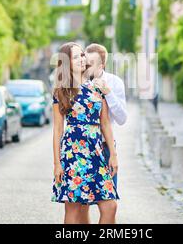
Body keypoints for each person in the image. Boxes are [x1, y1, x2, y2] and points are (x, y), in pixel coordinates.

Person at [51, 42, 119, 224]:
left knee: (110, 206)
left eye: (82, 55)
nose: (81, 59)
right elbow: (57, 130)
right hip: (72, 154)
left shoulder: (97, 87)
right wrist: (57, 164)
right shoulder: (61, 91)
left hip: (96, 152)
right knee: (73, 208)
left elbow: (105, 124)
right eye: (75, 57)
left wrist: (113, 154)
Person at [78, 43, 127, 224]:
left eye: (91, 63)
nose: (86, 66)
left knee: (109, 204)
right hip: (83, 149)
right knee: (82, 204)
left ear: (102, 65)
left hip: (105, 148)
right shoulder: (77, 83)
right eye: (85, 61)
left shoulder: (114, 83)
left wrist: (108, 93)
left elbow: (122, 119)